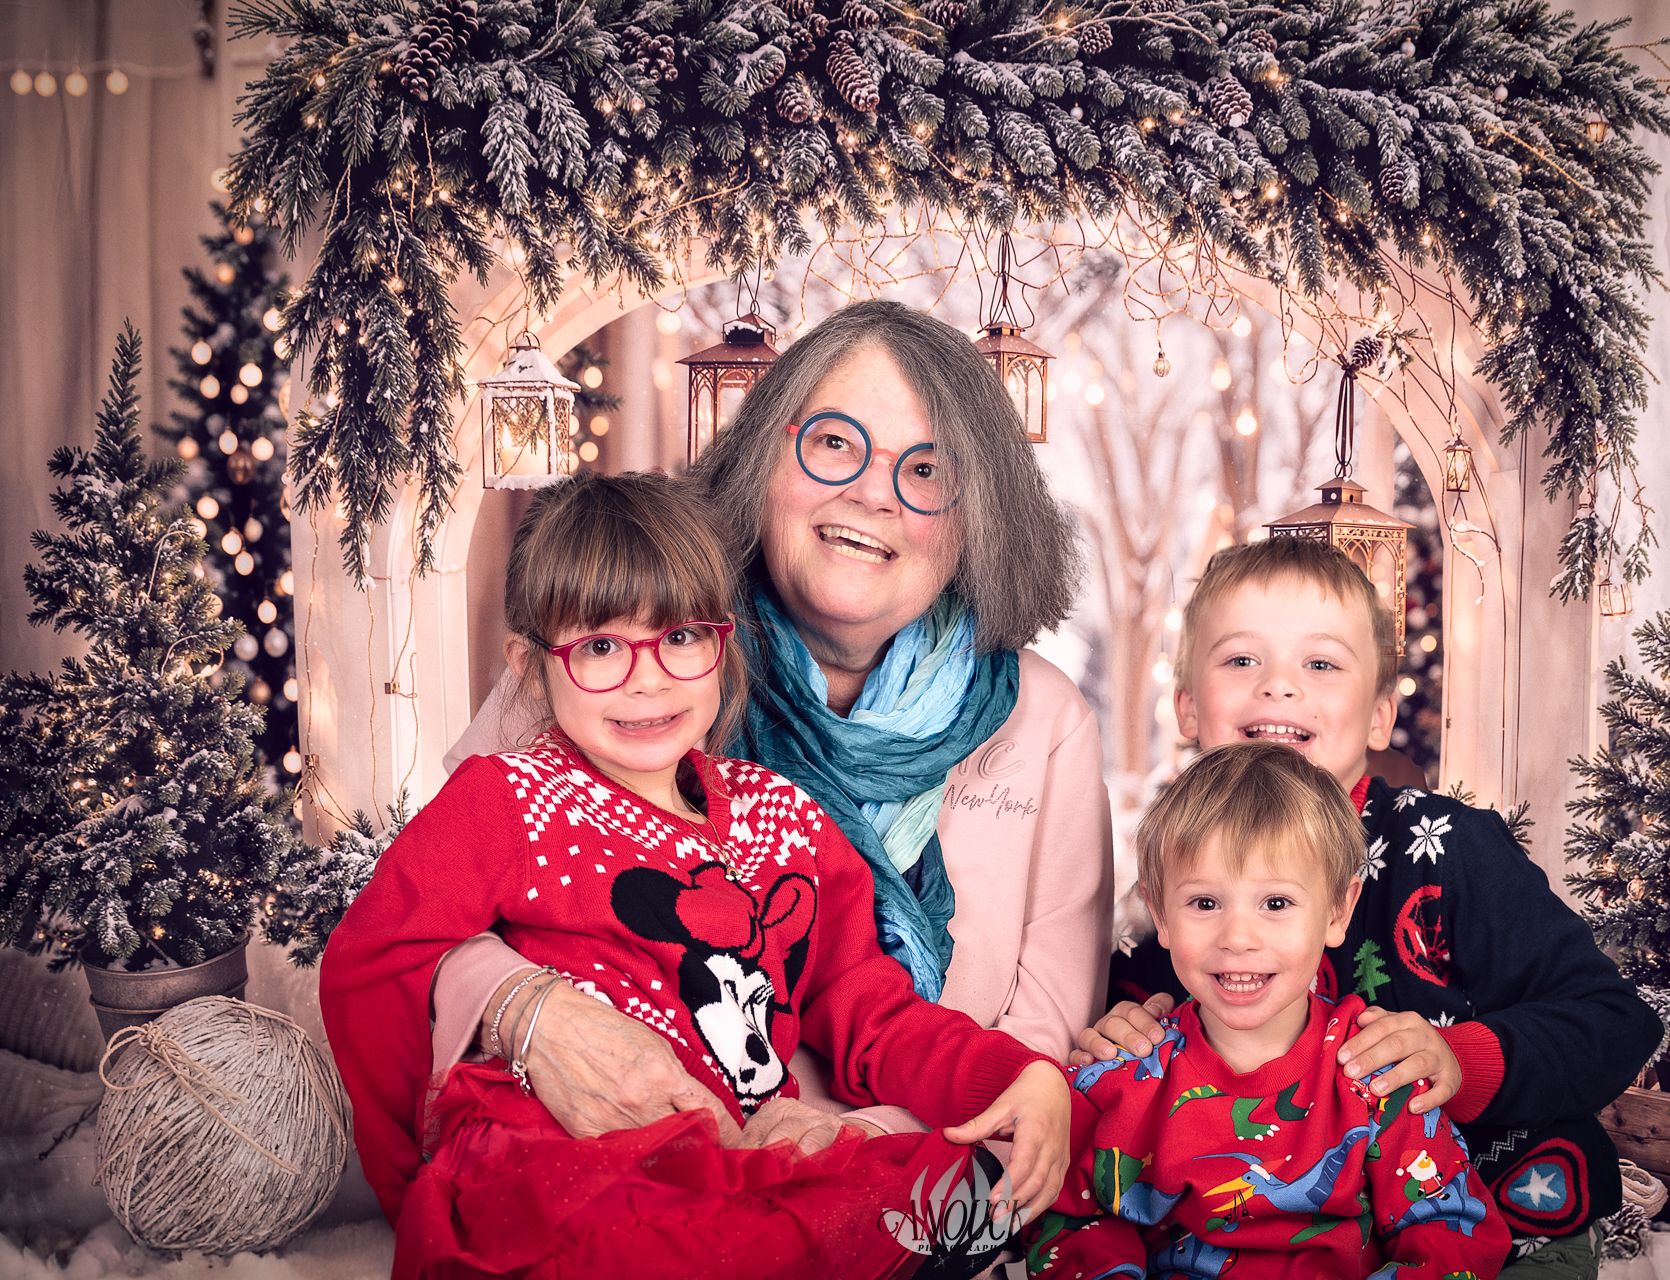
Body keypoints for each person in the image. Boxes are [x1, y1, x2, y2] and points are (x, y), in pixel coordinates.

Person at [320, 471, 1071, 1278]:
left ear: (722, 643)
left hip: (722, 1161)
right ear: (531, 667)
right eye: (600, 647)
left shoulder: (782, 817)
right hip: (555, 1157)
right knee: (620, 1238)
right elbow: (373, 958)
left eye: (680, 638)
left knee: (942, 1190)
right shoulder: (508, 799)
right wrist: (413, 1180)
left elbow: (867, 1009)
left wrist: (1014, 1075)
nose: (648, 679)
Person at [436, 300, 1112, 1152]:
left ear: (978, 516)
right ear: (764, 455)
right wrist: (529, 1013)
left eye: (928, 469)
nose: (873, 493)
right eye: (835, 442)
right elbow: (422, 912)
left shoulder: (1040, 719)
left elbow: (1041, 1042)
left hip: (909, 1170)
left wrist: (848, 1141)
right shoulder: (623, 661)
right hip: (622, 1150)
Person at [1080, 537, 1663, 1277]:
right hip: (1278, 1234)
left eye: (1319, 664)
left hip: (1490, 1211)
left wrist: (1458, 1059)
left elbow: (1613, 1022)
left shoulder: (1449, 849)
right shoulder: (1185, 870)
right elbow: (1135, 1022)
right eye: (1240, 660)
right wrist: (1121, 1023)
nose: (1278, 688)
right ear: (1189, 706)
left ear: (1381, 714)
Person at [1026, 742, 1511, 1279]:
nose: (1237, 938)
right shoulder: (1124, 1073)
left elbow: (1450, 1229)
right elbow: (1070, 1219)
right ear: (1160, 912)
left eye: (1275, 904)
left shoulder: (1380, 1073)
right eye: (1205, 903)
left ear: (1337, 910)